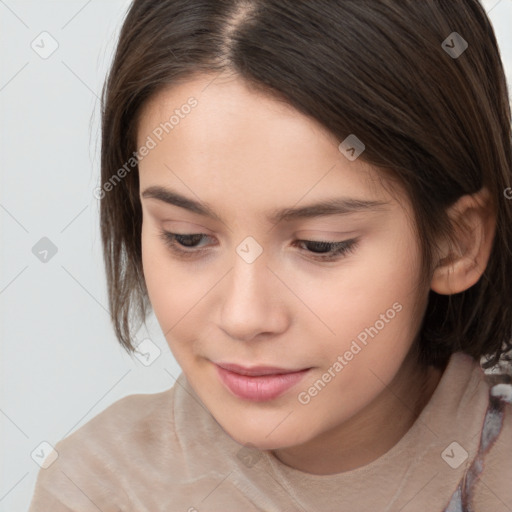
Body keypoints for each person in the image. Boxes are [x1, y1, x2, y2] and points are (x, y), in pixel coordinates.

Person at [29, 0, 512, 510]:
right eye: (187, 238)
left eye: (320, 245)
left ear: (456, 243)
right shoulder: (98, 489)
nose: (244, 316)